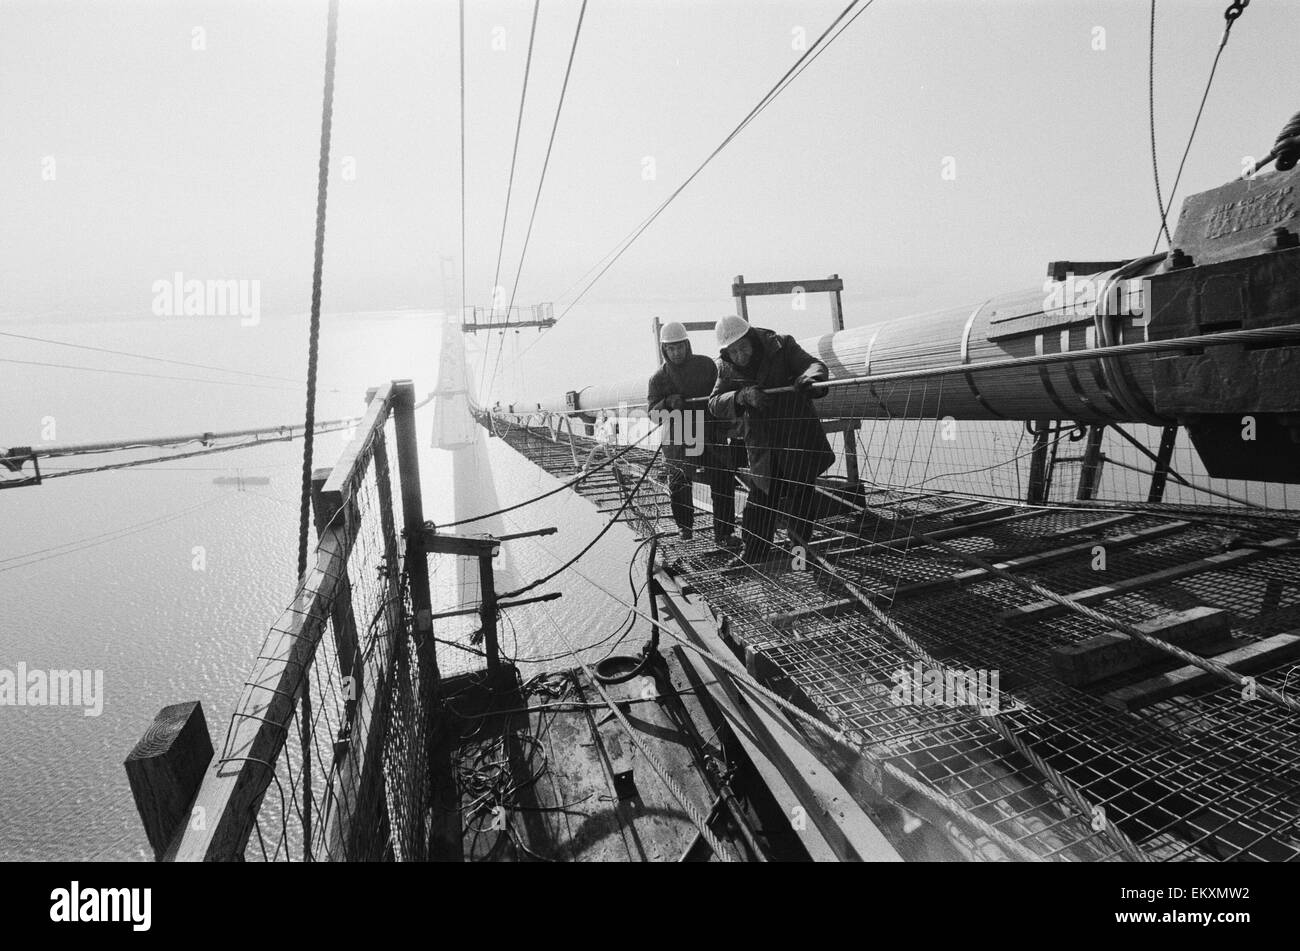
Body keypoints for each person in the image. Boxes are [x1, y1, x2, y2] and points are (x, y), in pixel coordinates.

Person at [708, 314, 834, 563]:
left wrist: (811, 379)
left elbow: (814, 365)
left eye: (743, 347)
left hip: (795, 435)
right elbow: (714, 402)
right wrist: (741, 396)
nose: (740, 355)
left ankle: (799, 555)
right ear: (726, 353)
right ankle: (753, 553)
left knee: (801, 496)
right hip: (762, 442)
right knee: (760, 498)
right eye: (733, 352)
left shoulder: (782, 346)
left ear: (752, 338)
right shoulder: (726, 366)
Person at [646, 321, 741, 549]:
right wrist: (667, 403)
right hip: (678, 437)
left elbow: (720, 396)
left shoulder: (706, 366)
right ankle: (685, 528)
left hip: (708, 433)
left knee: (722, 479)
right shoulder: (658, 378)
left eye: (680, 346)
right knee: (679, 482)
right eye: (671, 348)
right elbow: (653, 414)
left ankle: (724, 533)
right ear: (664, 350)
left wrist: (728, 426)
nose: (676, 352)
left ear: (687, 344)